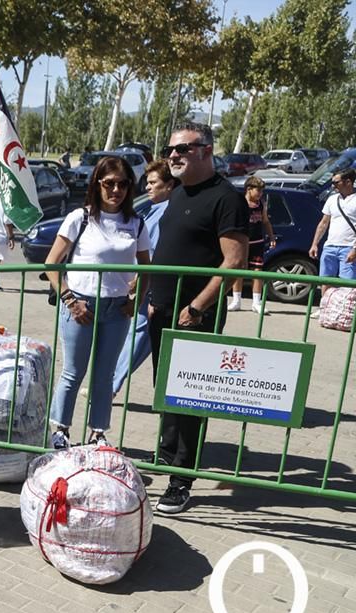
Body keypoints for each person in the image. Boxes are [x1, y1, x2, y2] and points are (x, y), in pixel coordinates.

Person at [148, 121, 248, 514]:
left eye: (182, 149)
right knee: (167, 392)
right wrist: (155, 297)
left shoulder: (225, 198)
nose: (173, 155)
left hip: (195, 317)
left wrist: (198, 307)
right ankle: (166, 457)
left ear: (205, 149)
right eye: (170, 149)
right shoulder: (178, 194)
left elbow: (234, 262)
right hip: (164, 311)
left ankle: (181, 480)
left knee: (189, 398)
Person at [46, 156, 152, 449]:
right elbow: (51, 263)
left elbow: (146, 267)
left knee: (104, 376)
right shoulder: (79, 218)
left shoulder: (136, 223)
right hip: (80, 306)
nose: (115, 190)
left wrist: (136, 298)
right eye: (109, 184)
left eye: (122, 184)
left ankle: (97, 432)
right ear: (97, 184)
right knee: (73, 372)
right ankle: (61, 430)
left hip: (117, 309)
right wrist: (69, 299)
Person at [112, 159, 177, 395]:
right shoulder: (151, 208)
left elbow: (152, 252)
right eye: (147, 182)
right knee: (139, 334)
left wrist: (139, 280)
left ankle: (111, 384)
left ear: (169, 185)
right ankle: (112, 382)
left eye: (153, 182)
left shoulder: (165, 212)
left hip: (148, 283)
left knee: (139, 334)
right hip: (143, 282)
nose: (148, 187)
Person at [226, 176, 278, 314]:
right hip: (242, 242)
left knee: (257, 271)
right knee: (238, 271)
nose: (260, 194)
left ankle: (256, 302)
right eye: (258, 191)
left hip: (257, 242)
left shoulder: (261, 204)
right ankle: (236, 300)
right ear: (249, 189)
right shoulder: (240, 203)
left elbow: (266, 221)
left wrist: (271, 236)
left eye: (262, 192)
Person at [309, 169, 356, 299]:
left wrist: (354, 249)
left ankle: (345, 311)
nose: (332, 185)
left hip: (349, 247)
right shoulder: (332, 199)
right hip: (330, 246)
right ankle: (325, 308)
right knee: (326, 280)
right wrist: (314, 244)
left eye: (336, 182)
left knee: (347, 283)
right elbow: (323, 223)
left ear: (348, 182)